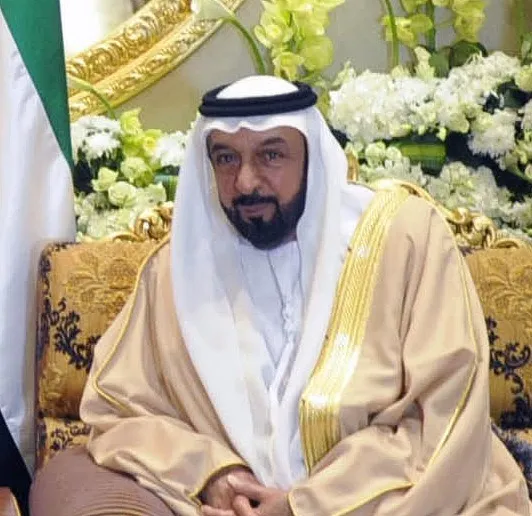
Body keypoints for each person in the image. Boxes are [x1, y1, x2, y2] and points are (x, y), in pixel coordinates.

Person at [30, 75, 531, 516]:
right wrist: (211, 474)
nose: (245, 182)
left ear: (312, 157)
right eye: (226, 158)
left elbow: (447, 413)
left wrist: (306, 505)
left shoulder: (406, 238)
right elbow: (117, 411)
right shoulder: (176, 273)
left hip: (401, 502)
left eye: (271, 155)